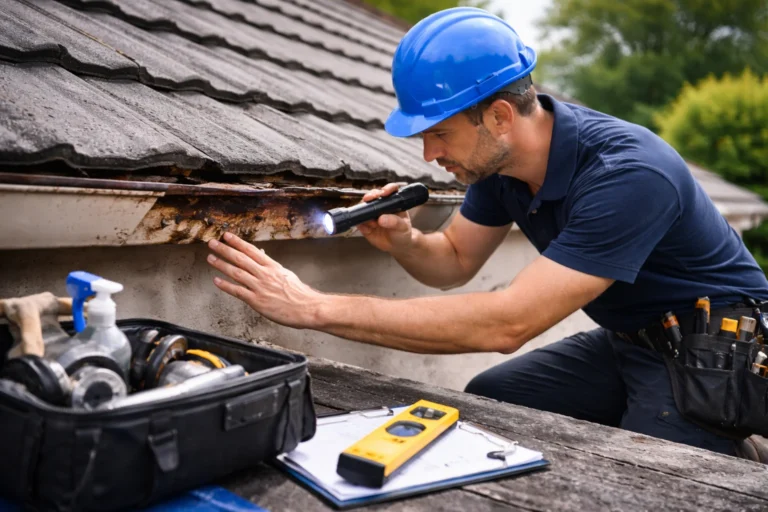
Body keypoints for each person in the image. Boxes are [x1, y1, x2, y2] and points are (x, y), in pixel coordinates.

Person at [206, 7, 768, 455]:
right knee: (495, 398)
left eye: (440, 134)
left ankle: (731, 446)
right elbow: (452, 260)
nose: (429, 155)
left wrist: (312, 308)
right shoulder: (503, 167)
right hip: (632, 340)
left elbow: (509, 322)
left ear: (500, 116)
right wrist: (403, 240)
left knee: (658, 473)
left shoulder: (630, 174)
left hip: (714, 350)